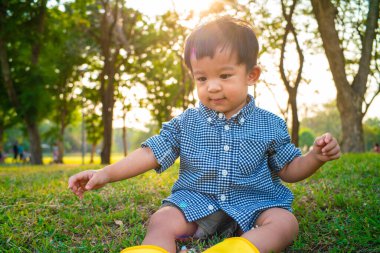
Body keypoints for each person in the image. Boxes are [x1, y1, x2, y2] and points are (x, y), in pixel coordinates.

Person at [68, 16, 341, 253]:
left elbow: (289, 170)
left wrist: (315, 157)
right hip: (196, 204)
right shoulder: (185, 123)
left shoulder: (270, 124)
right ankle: (154, 248)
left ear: (251, 75)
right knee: (162, 220)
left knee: (285, 223)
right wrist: (105, 173)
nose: (212, 87)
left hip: (257, 204)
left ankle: (242, 247)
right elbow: (151, 152)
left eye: (224, 75)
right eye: (202, 78)